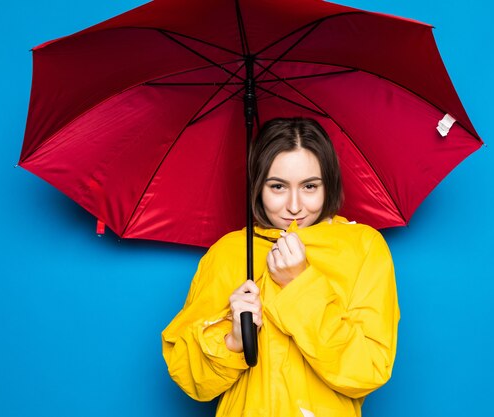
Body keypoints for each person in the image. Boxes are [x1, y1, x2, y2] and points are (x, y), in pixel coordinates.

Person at [162, 117, 399, 416]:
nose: (295, 205)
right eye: (278, 187)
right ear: (258, 186)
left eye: (310, 186)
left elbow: (369, 369)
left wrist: (299, 284)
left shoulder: (363, 248)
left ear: (329, 183)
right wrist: (233, 340)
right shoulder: (227, 252)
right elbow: (189, 378)